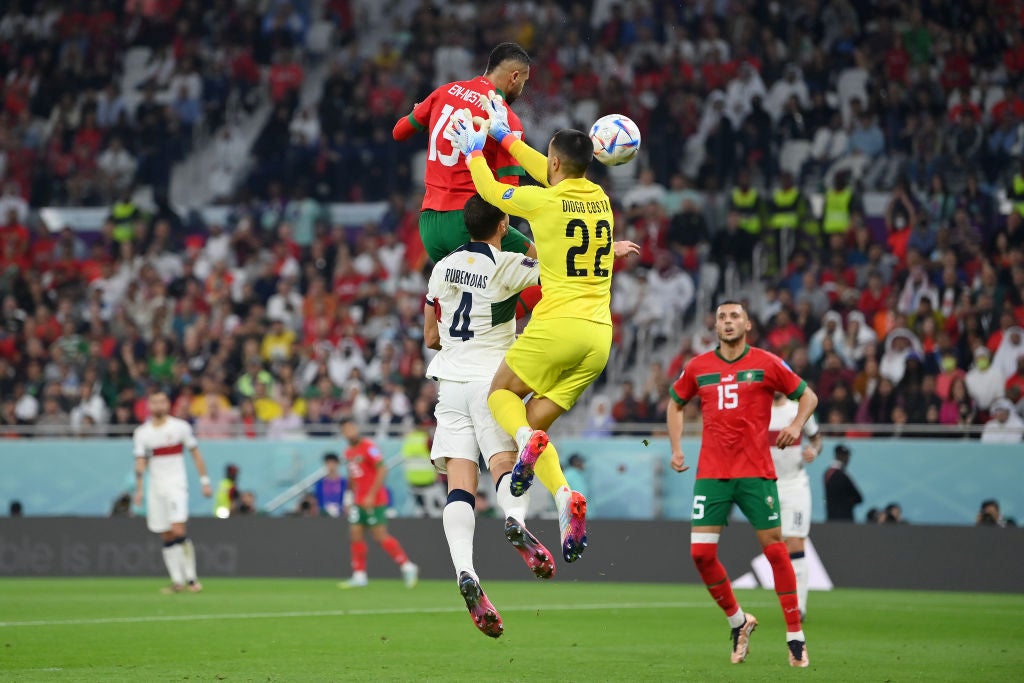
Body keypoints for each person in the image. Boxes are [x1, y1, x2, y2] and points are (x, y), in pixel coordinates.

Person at [447, 99, 636, 564]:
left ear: (554, 163)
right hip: (598, 338)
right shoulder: (601, 201)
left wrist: (476, 151)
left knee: (500, 396)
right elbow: (547, 167)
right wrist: (503, 137)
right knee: (529, 426)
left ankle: (531, 451)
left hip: (558, 325)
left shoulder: (543, 201)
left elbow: (490, 192)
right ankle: (563, 497)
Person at [422, 194, 560, 637]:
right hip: (492, 383)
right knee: (505, 464)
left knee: (459, 486)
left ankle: (466, 571)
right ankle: (516, 522)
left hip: (449, 385)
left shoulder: (442, 268)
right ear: (502, 225)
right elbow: (558, 275)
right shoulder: (507, 265)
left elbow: (430, 335)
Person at [667, 301, 818, 667]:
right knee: (701, 555)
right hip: (712, 474)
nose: (728, 322)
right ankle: (738, 622)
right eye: (722, 317)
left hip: (755, 473)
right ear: (715, 326)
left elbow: (808, 396)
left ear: (747, 324)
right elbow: (675, 403)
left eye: (735, 316)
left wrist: (796, 426)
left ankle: (795, 636)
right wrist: (676, 448)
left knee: (775, 548)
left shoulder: (766, 363)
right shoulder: (699, 367)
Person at [392, 42, 537, 263]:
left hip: (430, 225)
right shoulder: (507, 120)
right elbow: (509, 197)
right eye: (523, 83)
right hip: (471, 223)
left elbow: (398, 132)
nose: (521, 89)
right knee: (543, 268)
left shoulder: (444, 91)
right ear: (514, 77)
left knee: (453, 294)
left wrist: (420, 111)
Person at [132, 390, 212, 594]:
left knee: (178, 530)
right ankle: (177, 581)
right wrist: (139, 489)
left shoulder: (180, 427)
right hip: (155, 488)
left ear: (167, 404)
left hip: (176, 484)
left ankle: (192, 579)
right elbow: (141, 461)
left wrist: (205, 481)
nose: (158, 405)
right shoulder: (142, 433)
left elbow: (196, 454)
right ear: (149, 406)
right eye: (154, 402)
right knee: (166, 534)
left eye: (162, 401)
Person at [338, 417, 419, 589]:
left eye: (351, 427)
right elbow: (353, 476)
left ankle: (407, 566)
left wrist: (371, 495)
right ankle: (359, 575)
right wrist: (349, 497)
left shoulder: (369, 447)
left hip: (374, 500)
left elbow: (382, 469)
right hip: (358, 501)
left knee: (379, 535)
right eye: (346, 429)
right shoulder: (348, 452)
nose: (349, 431)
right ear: (343, 433)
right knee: (355, 534)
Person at [769, 392, 823, 618]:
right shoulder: (759, 409)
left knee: (795, 541)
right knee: (776, 543)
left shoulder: (798, 409)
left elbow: (817, 439)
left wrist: (814, 451)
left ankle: (799, 606)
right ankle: (788, 600)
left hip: (795, 484)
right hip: (768, 485)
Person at [824, 444, 863, 521]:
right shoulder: (841, 475)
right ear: (841, 456)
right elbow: (858, 497)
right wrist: (847, 503)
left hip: (832, 517)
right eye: (846, 456)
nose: (848, 459)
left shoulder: (828, 473)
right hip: (844, 518)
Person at [314, 452, 347, 518]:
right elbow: (317, 500)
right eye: (328, 463)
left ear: (337, 464)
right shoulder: (319, 483)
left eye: (333, 463)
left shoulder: (344, 482)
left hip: (340, 515)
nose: (331, 466)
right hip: (323, 515)